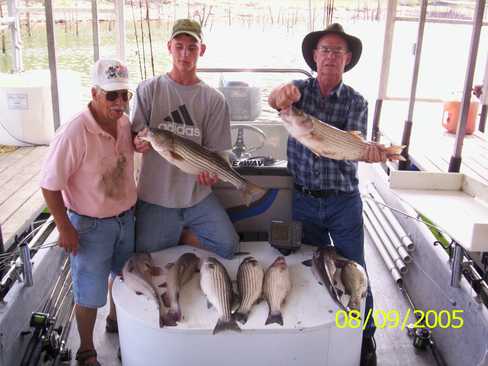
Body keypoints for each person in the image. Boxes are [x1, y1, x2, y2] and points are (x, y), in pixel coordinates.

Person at [268, 23, 390, 366]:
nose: (331, 56)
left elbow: (352, 143)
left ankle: (366, 338)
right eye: (325, 50)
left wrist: (368, 151)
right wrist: (281, 96)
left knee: (357, 271)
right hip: (304, 198)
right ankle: (318, 332)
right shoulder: (298, 93)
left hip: (343, 201)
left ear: (347, 59)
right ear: (314, 56)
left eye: (338, 51)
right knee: (312, 267)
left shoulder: (356, 101)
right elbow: (275, 101)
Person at [40, 59, 137, 366]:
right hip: (90, 226)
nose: (120, 103)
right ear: (94, 93)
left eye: (125, 95)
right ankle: (86, 350)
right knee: (88, 292)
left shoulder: (124, 123)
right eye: (111, 96)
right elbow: (49, 185)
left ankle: (114, 319)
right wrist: (64, 227)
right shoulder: (73, 132)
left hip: (126, 218)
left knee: (122, 277)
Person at [131, 18, 239, 259]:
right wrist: (137, 143)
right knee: (144, 254)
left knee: (229, 247)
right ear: (169, 47)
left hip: (197, 195)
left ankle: (178, 235)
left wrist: (212, 175)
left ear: (202, 50)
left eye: (192, 48)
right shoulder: (148, 90)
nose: (184, 54)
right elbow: (134, 136)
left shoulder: (215, 100)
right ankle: (176, 234)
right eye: (179, 46)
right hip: (155, 196)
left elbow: (218, 153)